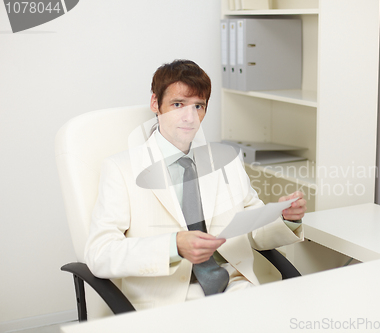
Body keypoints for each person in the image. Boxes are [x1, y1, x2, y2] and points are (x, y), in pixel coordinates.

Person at [84, 59, 306, 311]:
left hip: (235, 288)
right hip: (169, 301)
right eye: (178, 104)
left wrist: (284, 218)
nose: (189, 118)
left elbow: (254, 232)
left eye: (198, 106)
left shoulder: (226, 161)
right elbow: (99, 254)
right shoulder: (121, 169)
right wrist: (173, 245)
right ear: (155, 103)